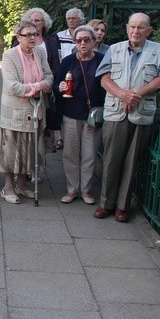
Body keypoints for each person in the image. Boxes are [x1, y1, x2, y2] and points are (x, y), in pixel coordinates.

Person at [93, 12, 160, 222]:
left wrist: (137, 95)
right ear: (127, 28)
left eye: (141, 27)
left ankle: (122, 206)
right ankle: (106, 203)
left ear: (149, 30)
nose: (136, 31)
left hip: (141, 112)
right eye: (132, 27)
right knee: (110, 159)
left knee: (131, 161)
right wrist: (123, 94)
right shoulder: (114, 49)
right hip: (116, 111)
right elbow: (104, 78)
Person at [0, 18, 53, 204]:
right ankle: (7, 187)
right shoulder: (9, 55)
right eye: (28, 34)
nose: (32, 37)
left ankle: (21, 184)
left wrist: (43, 84)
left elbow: (49, 76)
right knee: (11, 149)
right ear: (18, 37)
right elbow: (13, 86)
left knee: (29, 148)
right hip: (14, 110)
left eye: (35, 34)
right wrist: (39, 85)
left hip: (36, 109)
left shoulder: (40, 53)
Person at [54, 25, 105, 205]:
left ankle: (86, 190)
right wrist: (59, 87)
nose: (82, 43)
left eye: (86, 39)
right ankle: (71, 189)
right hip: (71, 113)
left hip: (93, 115)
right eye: (78, 40)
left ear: (93, 41)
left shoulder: (102, 60)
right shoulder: (68, 61)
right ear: (75, 42)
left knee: (90, 154)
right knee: (70, 153)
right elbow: (56, 84)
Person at [16, 8, 63, 153]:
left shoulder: (52, 42)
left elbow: (56, 66)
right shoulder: (17, 42)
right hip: (26, 92)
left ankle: (38, 162)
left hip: (45, 91)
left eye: (37, 20)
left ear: (44, 23)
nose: (34, 23)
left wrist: (46, 83)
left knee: (43, 127)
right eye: (31, 20)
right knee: (26, 130)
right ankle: (26, 166)